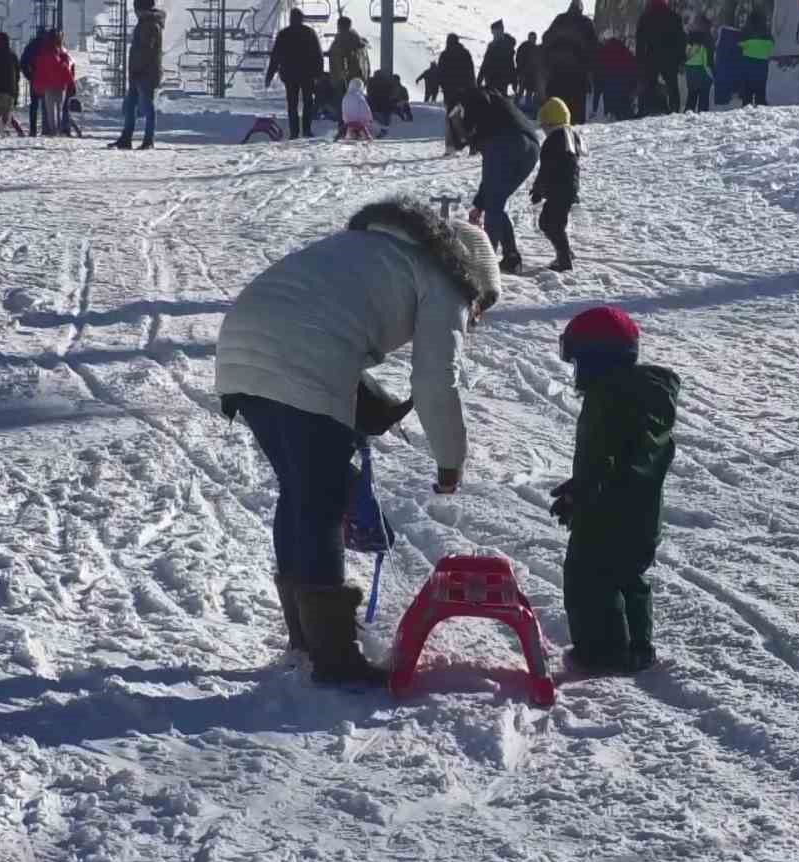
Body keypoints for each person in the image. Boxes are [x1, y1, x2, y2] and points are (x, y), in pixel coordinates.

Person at [215, 200, 501, 685]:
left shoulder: (375, 245)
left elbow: (320, 314)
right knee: (322, 502)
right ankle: (334, 657)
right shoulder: (446, 277)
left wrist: (365, 398)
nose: (473, 313)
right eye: (480, 303)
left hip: (240, 350)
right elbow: (436, 379)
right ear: (472, 273)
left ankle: (305, 634)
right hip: (301, 360)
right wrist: (451, 461)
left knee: (299, 491)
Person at [550, 306, 679, 674]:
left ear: (596, 360)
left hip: (606, 514)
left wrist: (582, 493)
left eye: (578, 361)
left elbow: (603, 458)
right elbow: (630, 458)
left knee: (589, 578)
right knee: (628, 576)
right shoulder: (646, 396)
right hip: (640, 513)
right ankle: (638, 647)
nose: (576, 372)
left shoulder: (607, 398)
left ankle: (603, 655)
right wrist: (581, 485)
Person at [458, 87, 540, 274]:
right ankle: (511, 258)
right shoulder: (498, 104)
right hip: (532, 148)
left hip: (507, 143)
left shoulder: (476, 105)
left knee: (494, 203)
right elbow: (490, 180)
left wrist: (480, 204)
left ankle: (486, 265)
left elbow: (489, 175)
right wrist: (480, 204)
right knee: (496, 201)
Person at [530, 98, 583, 273]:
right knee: (556, 223)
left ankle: (564, 260)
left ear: (551, 124)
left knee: (549, 223)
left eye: (544, 126)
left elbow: (546, 169)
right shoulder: (571, 136)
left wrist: (538, 190)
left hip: (559, 190)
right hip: (567, 189)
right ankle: (565, 252)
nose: (543, 130)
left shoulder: (554, 141)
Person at [109, 0, 164, 149]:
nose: (135, 12)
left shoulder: (150, 25)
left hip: (146, 72)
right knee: (130, 105)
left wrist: (139, 68)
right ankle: (126, 138)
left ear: (142, 8)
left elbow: (146, 50)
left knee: (147, 106)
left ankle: (148, 140)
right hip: (137, 72)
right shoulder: (144, 23)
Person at [265, 7, 324, 139]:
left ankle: (294, 132)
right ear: (301, 19)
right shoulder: (309, 33)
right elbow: (318, 55)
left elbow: (275, 57)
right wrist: (319, 74)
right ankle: (307, 130)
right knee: (308, 102)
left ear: (291, 19)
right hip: (307, 75)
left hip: (289, 75)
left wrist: (270, 75)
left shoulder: (284, 34)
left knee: (292, 104)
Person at [542, 0, 598, 125]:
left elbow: (546, 39)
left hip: (557, 73)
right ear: (581, 9)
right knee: (576, 114)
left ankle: (556, 128)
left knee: (558, 107)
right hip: (577, 75)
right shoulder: (586, 23)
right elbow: (594, 48)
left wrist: (548, 63)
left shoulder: (559, 20)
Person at [635, 0, 685, 116]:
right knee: (672, 85)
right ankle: (674, 110)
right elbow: (681, 40)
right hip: (670, 57)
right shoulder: (673, 16)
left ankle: (644, 110)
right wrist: (681, 58)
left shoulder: (646, 17)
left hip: (651, 56)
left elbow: (640, 41)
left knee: (648, 83)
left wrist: (639, 60)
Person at [328, 15, 371, 138]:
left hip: (343, 79)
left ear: (340, 26)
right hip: (358, 79)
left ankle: (345, 128)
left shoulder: (341, 41)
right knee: (357, 103)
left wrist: (341, 75)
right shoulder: (357, 40)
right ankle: (359, 128)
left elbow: (341, 60)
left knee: (342, 104)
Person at [31, 31, 75, 136]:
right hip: (61, 87)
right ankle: (59, 130)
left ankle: (52, 130)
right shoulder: (62, 54)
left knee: (50, 110)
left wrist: (36, 85)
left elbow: (39, 71)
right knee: (60, 109)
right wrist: (71, 84)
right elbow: (67, 70)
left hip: (48, 87)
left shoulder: (42, 54)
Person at [437, 34, 475, 152]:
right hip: (465, 91)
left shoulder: (444, 55)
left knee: (450, 118)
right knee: (468, 117)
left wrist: (442, 87)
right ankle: (473, 145)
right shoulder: (465, 53)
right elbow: (470, 72)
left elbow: (440, 74)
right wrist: (472, 87)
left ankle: (451, 147)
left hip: (450, 92)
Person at [595, 37, 638, 121]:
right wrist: (634, 85)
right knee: (625, 108)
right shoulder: (624, 50)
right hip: (624, 82)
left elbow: (598, 70)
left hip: (608, 83)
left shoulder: (603, 51)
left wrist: (598, 90)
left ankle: (611, 117)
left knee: (612, 110)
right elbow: (633, 66)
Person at [739, 8, 773, 107]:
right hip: (762, 65)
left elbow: (740, 44)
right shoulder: (766, 33)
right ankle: (761, 110)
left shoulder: (746, 32)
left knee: (747, 92)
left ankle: (746, 109)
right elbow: (771, 45)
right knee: (760, 91)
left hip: (748, 64)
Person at [683, 14, 714, 113]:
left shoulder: (690, 37)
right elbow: (709, 58)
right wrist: (712, 73)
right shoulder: (707, 38)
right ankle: (701, 122)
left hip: (690, 71)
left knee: (691, 98)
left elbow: (686, 54)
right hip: (703, 70)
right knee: (703, 101)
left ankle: (686, 121)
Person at [20, 30, 48, 136]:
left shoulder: (31, 46)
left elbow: (23, 63)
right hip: (48, 80)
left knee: (34, 105)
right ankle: (47, 128)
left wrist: (30, 76)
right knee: (47, 106)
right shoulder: (49, 46)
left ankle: (33, 130)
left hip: (35, 78)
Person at [478, 20, 517, 96]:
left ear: (500, 31)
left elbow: (510, 64)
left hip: (501, 81)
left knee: (499, 103)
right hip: (490, 80)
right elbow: (485, 63)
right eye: (492, 32)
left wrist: (514, 81)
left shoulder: (506, 46)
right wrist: (480, 79)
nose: (493, 34)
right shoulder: (492, 45)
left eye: (494, 32)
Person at [515, 32, 545, 106]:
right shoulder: (524, 46)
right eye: (532, 38)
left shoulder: (536, 48)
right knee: (521, 90)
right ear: (529, 38)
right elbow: (518, 59)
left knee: (529, 91)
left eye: (534, 38)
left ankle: (527, 107)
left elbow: (539, 62)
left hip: (531, 75)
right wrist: (520, 70)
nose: (533, 40)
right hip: (524, 74)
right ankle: (515, 105)